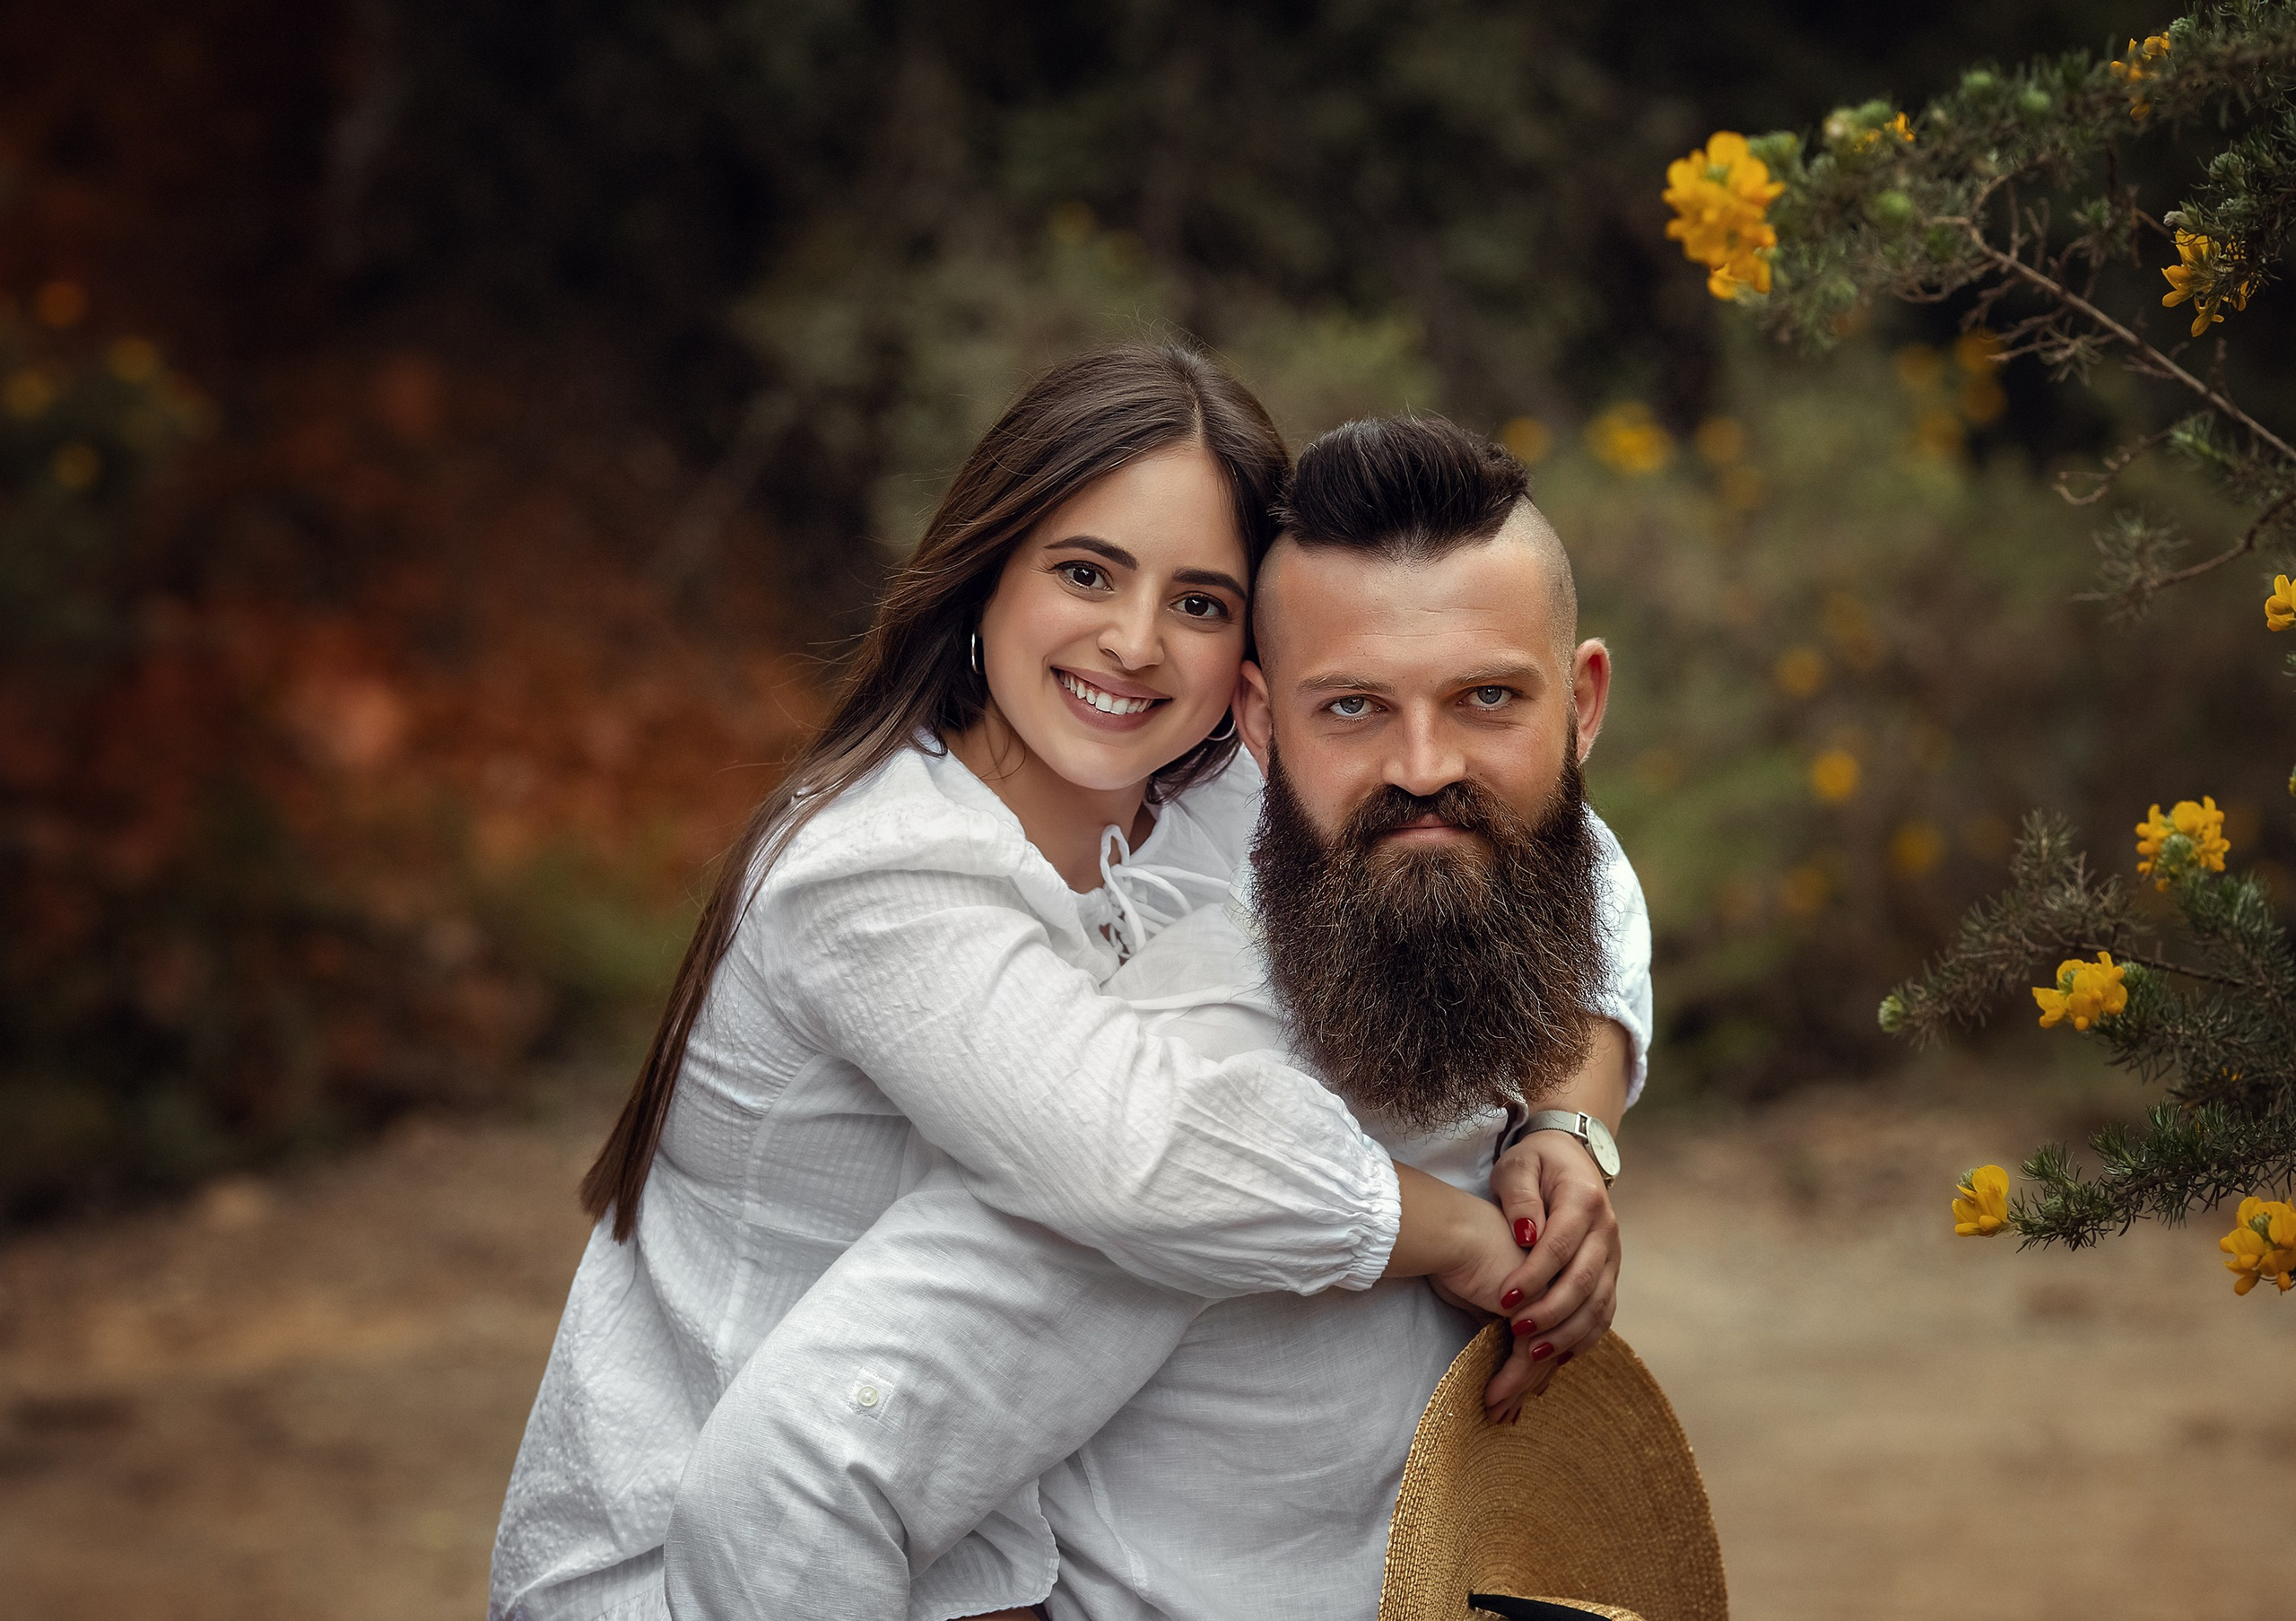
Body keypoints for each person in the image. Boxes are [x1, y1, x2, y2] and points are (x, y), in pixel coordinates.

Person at [488, 351, 1624, 1621]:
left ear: (1247, 675)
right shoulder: (872, 871)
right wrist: (1471, 1240)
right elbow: (1140, 1158)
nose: (1133, 644)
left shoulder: (1213, 788)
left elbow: (1553, 846)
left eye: (1199, 602)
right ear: (985, 574)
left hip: (951, 1510)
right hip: (705, 1550)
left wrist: (1574, 1126)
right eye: (1086, 573)